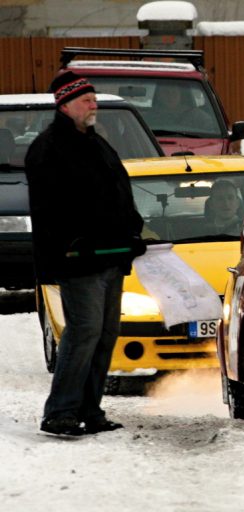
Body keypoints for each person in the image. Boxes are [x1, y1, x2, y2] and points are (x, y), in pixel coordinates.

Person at [25, 71, 146, 436]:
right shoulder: (49, 149)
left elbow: (119, 192)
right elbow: (51, 211)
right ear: (64, 105)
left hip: (112, 255)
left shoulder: (96, 143)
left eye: (94, 100)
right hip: (79, 260)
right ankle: (60, 411)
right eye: (85, 101)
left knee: (106, 333)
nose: (93, 106)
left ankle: (90, 409)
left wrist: (133, 230)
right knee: (84, 332)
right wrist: (73, 244)